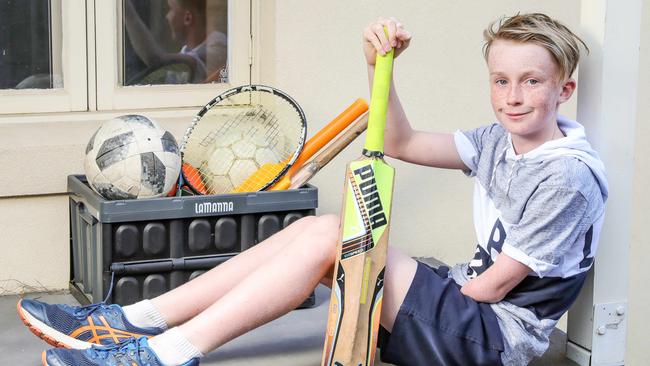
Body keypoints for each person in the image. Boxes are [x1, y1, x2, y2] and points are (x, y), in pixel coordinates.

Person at [17, 13, 607, 366]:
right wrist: (380, 66)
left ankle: (165, 352)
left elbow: (493, 288)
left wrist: (382, 276)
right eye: (501, 80)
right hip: (464, 312)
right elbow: (399, 140)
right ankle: (133, 319)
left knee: (334, 236)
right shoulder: (498, 141)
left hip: (490, 342)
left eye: (532, 82)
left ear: (565, 90)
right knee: (313, 233)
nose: (512, 96)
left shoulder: (568, 177)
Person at [124, 0, 228, 85]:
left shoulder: (218, 43)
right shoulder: (186, 54)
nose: (167, 16)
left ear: (187, 18)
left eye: (170, 9)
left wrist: (126, 10)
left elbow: (155, 59)